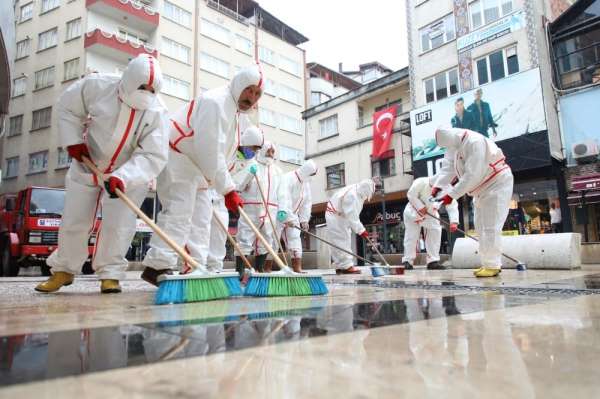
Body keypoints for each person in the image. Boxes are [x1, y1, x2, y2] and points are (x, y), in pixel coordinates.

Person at [35, 55, 169, 294]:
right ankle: (64, 270)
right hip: (88, 163)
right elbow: (68, 107)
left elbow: (153, 155)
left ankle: (111, 274)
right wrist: (73, 140)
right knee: (74, 219)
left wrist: (125, 177)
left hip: (127, 175)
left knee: (120, 225)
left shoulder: (157, 112)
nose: (146, 92)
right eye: (142, 87)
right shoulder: (97, 85)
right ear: (128, 80)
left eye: (151, 89)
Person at [141, 65, 263, 285]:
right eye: (249, 90)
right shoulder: (216, 103)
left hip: (198, 166)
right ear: (238, 84)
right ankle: (156, 265)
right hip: (180, 156)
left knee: (202, 218)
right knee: (180, 210)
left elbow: (219, 153)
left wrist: (223, 184)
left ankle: (195, 268)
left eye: (256, 94)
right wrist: (228, 189)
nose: (251, 97)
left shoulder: (233, 110)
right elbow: (209, 149)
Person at [181, 125, 264, 274]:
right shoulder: (229, 146)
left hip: (222, 196)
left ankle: (215, 269)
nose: (254, 152)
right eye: (253, 148)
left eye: (257, 150)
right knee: (200, 229)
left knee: (220, 233)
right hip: (205, 189)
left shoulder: (249, 162)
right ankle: (193, 267)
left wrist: (247, 177)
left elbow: (238, 184)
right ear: (245, 142)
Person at [431, 127, 513, 277]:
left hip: (496, 183)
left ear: (451, 138)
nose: (447, 150)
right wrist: (438, 185)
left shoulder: (474, 142)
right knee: (480, 226)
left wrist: (452, 195)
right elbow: (448, 168)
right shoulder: (453, 146)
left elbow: (473, 175)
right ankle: (487, 263)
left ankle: (493, 265)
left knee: (490, 226)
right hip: (481, 189)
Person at [235, 141, 282, 273]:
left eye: (273, 152)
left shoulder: (277, 171)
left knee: (267, 239)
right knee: (245, 236)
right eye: (268, 151)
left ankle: (260, 269)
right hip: (251, 208)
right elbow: (238, 186)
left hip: (270, 209)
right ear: (262, 151)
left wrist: (283, 210)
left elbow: (282, 193)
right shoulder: (251, 165)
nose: (271, 154)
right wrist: (249, 175)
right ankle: (240, 270)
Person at [402, 176, 459, 270]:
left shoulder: (448, 189)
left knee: (435, 232)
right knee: (411, 236)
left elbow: (452, 205)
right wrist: (420, 206)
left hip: (431, 214)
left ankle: (432, 261)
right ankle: (407, 261)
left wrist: (454, 221)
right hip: (413, 212)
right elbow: (411, 194)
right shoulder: (421, 181)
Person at [325, 179, 375, 274]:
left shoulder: (356, 190)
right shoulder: (352, 195)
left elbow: (351, 215)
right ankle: (347, 266)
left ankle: (340, 266)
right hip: (336, 216)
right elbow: (352, 216)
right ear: (366, 190)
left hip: (339, 215)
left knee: (339, 241)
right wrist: (361, 230)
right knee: (342, 241)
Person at [276, 160, 318, 273]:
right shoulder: (288, 178)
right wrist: (286, 218)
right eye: (312, 174)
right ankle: (266, 268)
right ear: (306, 171)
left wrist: (304, 219)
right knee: (273, 240)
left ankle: (297, 267)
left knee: (295, 239)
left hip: (293, 215)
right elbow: (283, 197)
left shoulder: (306, 184)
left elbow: (307, 202)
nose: (312, 177)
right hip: (280, 213)